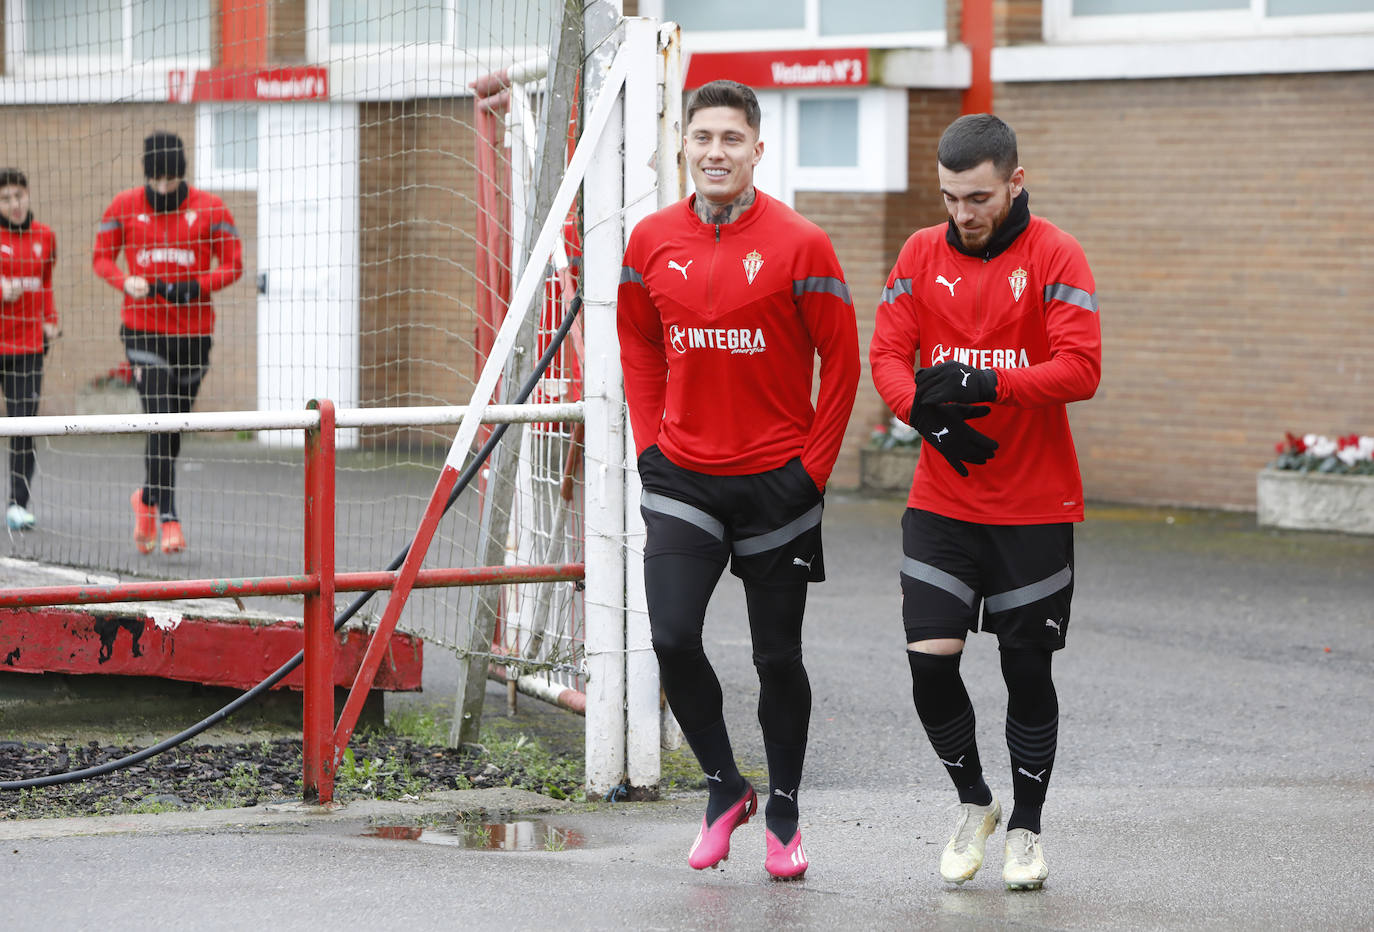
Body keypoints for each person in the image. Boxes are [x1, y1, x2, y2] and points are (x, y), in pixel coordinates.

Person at [617, 79, 860, 880]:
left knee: (775, 660)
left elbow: (844, 364)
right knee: (671, 638)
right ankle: (724, 786)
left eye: (731, 139)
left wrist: (811, 472)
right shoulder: (649, 240)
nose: (715, 152)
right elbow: (640, 346)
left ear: (759, 149)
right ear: (682, 147)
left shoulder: (802, 245)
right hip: (683, 476)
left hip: (776, 489)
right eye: (702, 138)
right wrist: (651, 443)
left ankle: (784, 807)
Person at [869, 113, 1102, 891]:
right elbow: (889, 350)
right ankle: (975, 803)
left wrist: (989, 382)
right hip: (942, 503)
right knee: (928, 669)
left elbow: (1080, 369)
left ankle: (1028, 831)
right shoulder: (918, 253)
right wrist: (920, 411)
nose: (962, 214)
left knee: (1026, 673)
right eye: (949, 198)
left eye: (977, 197)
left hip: (1034, 509)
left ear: (1015, 181)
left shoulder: (1057, 254)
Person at [93, 131, 243, 555]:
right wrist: (126, 281)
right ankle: (169, 517)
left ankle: (146, 497)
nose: (163, 188)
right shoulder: (124, 207)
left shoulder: (212, 209)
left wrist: (197, 285)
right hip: (143, 331)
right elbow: (101, 257)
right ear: (146, 176)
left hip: (194, 335)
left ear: (183, 174)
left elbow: (234, 265)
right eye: (156, 180)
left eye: (171, 180)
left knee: (174, 424)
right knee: (158, 417)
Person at [0, 168, 59, 532]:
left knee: (23, 426)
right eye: (5, 199)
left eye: (18, 196)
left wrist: (50, 318)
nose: (14, 204)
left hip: (27, 348)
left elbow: (46, 282)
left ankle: (17, 505)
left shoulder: (45, 237)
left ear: (28, 194)